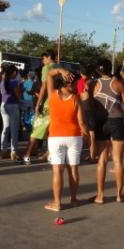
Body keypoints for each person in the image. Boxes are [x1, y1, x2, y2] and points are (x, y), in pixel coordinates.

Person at [44, 67, 88, 211]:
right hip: (74, 137)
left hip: (56, 138)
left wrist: (61, 70)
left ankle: (57, 203)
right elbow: (81, 122)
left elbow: (49, 75)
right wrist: (88, 138)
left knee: (57, 171)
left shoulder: (52, 95)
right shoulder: (76, 99)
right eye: (72, 84)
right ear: (64, 84)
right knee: (73, 170)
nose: (75, 86)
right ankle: (74, 199)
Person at [90, 59, 124, 203]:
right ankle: (119, 195)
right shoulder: (117, 84)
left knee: (101, 160)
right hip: (117, 122)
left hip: (101, 122)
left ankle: (100, 196)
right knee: (117, 160)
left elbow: (91, 105)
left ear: (98, 71)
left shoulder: (93, 85)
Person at [23, 50, 60, 165]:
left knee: (36, 129)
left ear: (49, 57)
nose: (42, 61)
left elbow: (44, 86)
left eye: (43, 58)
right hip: (59, 101)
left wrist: (38, 103)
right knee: (52, 130)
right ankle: (50, 154)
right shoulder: (59, 67)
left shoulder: (47, 68)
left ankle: (27, 155)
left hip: (48, 103)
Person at [0, 64, 22, 160]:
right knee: (14, 129)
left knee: (5, 128)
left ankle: (4, 150)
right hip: (13, 106)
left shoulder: (2, 82)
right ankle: (14, 151)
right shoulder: (14, 82)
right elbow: (18, 96)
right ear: (14, 73)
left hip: (3, 105)